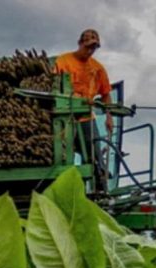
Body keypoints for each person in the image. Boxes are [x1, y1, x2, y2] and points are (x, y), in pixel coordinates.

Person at [55, 28, 114, 190]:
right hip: (64, 118)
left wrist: (109, 117)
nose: (90, 51)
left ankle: (100, 188)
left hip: (86, 117)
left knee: (94, 155)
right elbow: (53, 86)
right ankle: (64, 187)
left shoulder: (97, 68)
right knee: (61, 156)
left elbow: (106, 94)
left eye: (93, 48)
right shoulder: (63, 61)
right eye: (87, 46)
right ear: (80, 43)